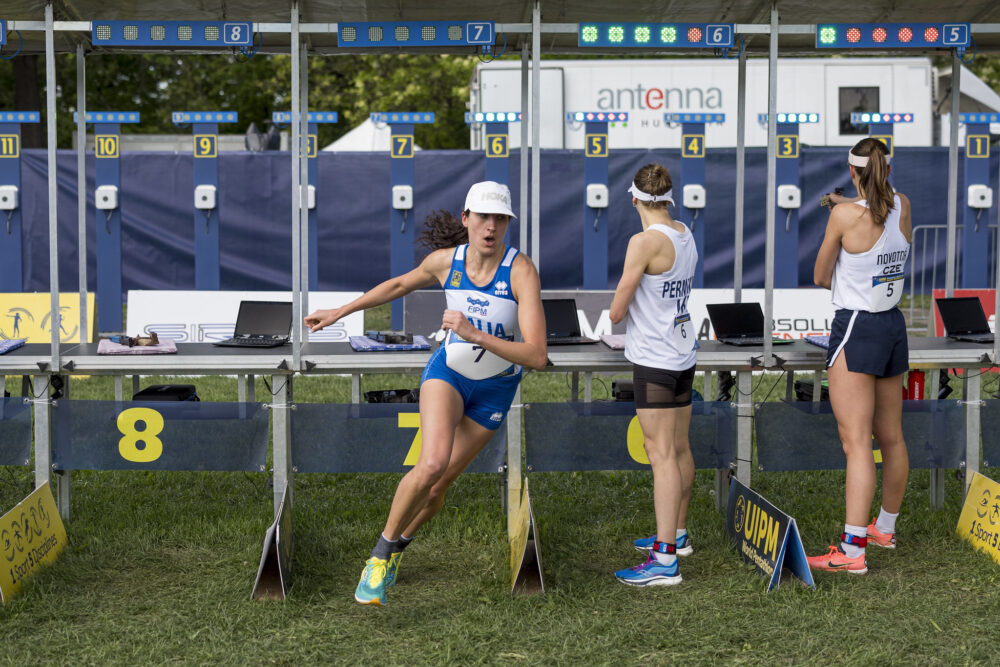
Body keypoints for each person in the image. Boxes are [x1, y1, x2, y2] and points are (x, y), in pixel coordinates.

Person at [304, 181, 547, 605]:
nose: (491, 227)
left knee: (439, 486)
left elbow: (537, 355)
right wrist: (339, 311)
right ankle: (378, 556)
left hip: (496, 389)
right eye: (483, 217)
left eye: (500, 219)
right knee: (431, 462)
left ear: (508, 224)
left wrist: (474, 333)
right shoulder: (444, 263)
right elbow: (398, 286)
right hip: (448, 373)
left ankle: (398, 548)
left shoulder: (520, 270)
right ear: (466, 219)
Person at [807, 137, 911, 575]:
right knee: (891, 437)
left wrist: (837, 209)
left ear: (852, 172)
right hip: (891, 325)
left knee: (856, 444)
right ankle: (883, 528)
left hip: (856, 325)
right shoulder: (902, 204)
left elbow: (819, 275)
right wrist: (845, 202)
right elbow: (877, 207)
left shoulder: (843, 215)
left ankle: (852, 552)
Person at [609, 163, 698, 587]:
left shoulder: (643, 242)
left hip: (656, 358)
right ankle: (676, 536)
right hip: (682, 354)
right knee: (679, 450)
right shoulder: (684, 230)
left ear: (634, 200)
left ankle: (664, 561)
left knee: (660, 456)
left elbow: (617, 309)